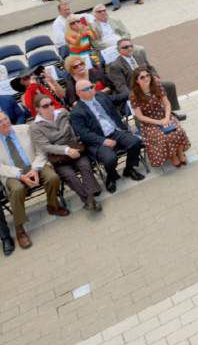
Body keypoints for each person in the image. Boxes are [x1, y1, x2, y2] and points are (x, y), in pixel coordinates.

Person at [0, 110, 67, 250]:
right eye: (0, 122)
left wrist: (35, 168)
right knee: (17, 189)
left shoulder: (25, 129)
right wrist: (20, 175)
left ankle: (52, 206)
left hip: (34, 164)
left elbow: (40, 150)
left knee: (52, 177)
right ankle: (20, 229)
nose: (5, 122)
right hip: (12, 174)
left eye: (5, 118)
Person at [69, 80, 145, 193]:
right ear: (79, 93)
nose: (91, 90)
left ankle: (129, 169)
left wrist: (135, 91)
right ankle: (112, 176)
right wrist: (103, 141)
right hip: (97, 141)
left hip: (115, 132)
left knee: (135, 142)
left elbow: (117, 98)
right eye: (86, 89)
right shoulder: (76, 112)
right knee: (110, 158)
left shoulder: (100, 96)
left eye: (91, 86)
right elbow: (84, 134)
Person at [30, 94, 101, 212]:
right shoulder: (34, 127)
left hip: (75, 149)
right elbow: (45, 146)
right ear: (37, 109)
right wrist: (66, 150)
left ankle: (89, 200)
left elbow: (75, 129)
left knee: (85, 166)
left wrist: (77, 143)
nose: (50, 107)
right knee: (70, 176)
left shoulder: (63, 113)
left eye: (51, 103)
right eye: (45, 106)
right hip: (58, 157)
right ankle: (90, 198)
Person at [105, 39, 184, 119]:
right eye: (125, 47)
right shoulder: (116, 66)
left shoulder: (139, 56)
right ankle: (156, 117)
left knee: (169, 85)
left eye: (130, 46)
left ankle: (170, 112)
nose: (129, 48)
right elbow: (120, 85)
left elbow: (150, 67)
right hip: (136, 90)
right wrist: (132, 96)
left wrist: (154, 75)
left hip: (149, 83)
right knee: (149, 95)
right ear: (119, 50)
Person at [130, 67, 190, 169]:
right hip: (149, 123)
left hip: (164, 116)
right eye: (142, 77)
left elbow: (167, 104)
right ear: (137, 81)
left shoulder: (157, 86)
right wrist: (158, 122)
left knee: (178, 131)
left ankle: (179, 152)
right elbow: (140, 117)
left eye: (147, 75)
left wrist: (167, 118)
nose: (146, 78)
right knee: (163, 137)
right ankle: (172, 156)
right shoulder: (134, 96)